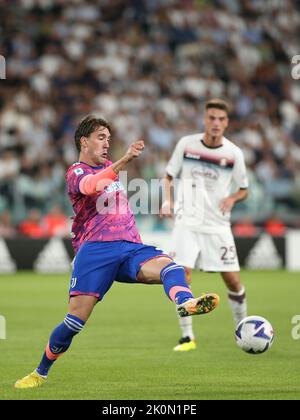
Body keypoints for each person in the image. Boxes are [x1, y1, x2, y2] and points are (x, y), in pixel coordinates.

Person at [15, 115, 219, 389]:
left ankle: (185, 303)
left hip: (130, 247)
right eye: (101, 138)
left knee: (172, 268)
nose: (106, 143)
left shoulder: (111, 168)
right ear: (84, 141)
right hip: (96, 252)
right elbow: (90, 187)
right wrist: (124, 160)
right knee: (74, 322)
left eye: (109, 139)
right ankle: (40, 373)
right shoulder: (76, 171)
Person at [160, 99, 249, 352]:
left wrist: (232, 198)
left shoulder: (234, 154)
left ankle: (243, 329)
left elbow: (244, 189)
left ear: (227, 122)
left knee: (232, 281)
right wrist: (168, 201)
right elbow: (168, 176)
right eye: (212, 118)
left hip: (217, 226)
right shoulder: (186, 145)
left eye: (221, 119)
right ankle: (188, 337)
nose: (216, 123)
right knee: (182, 276)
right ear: (204, 119)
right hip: (187, 222)